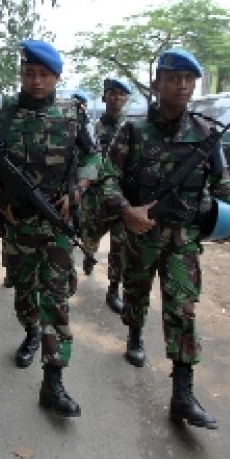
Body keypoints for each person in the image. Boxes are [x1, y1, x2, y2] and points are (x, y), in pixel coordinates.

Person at [98, 48, 230, 430]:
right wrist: (127, 210)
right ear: (157, 83)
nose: (181, 85)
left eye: (188, 79)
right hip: (141, 234)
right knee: (137, 290)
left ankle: (182, 393)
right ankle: (133, 333)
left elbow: (225, 189)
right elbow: (106, 179)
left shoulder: (206, 135)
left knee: (183, 308)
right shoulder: (133, 131)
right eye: (173, 78)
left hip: (184, 239)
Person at [0, 39, 99, 418]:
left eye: (43, 74)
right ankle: (31, 331)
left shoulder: (73, 114)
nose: (35, 81)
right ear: (21, 74)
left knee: (56, 296)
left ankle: (53, 380)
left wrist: (77, 191)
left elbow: (93, 156)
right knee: (25, 290)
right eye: (29, 73)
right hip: (17, 223)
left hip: (57, 222)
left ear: (56, 77)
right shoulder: (1, 112)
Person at [81, 77, 132, 315]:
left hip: (121, 196)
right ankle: (88, 255)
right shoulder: (92, 128)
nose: (116, 98)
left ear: (126, 99)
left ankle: (113, 289)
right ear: (104, 97)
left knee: (120, 243)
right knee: (90, 234)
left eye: (121, 94)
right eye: (112, 93)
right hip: (95, 196)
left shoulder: (131, 130)